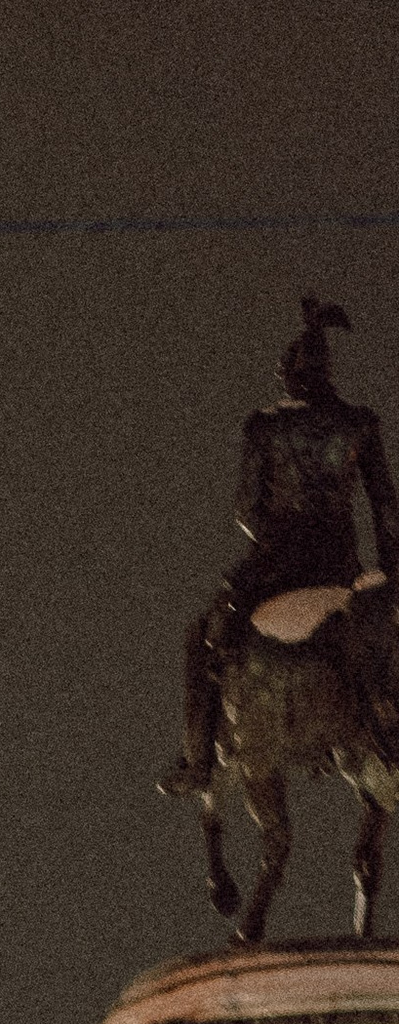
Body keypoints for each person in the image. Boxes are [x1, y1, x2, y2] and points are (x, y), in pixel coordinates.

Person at [165, 297, 399, 792]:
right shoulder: (361, 423)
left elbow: (247, 511)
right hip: (341, 564)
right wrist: (390, 570)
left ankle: (198, 760)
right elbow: (385, 506)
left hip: (277, 564)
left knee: (205, 638)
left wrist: (271, 532)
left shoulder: (264, 426)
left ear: (291, 376)